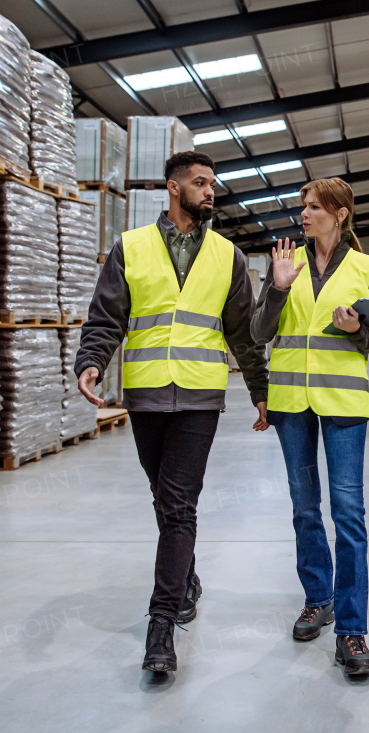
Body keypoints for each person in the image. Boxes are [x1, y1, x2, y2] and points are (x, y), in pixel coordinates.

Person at [74, 151, 269, 675]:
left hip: (200, 396)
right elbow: (107, 315)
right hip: (146, 394)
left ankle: (161, 625)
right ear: (173, 188)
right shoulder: (131, 247)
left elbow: (243, 332)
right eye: (201, 183)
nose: (211, 192)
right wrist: (91, 361)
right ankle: (186, 575)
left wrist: (260, 389)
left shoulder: (227, 255)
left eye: (213, 183)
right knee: (164, 498)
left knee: (180, 504)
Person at [251, 177, 369, 677]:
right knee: (305, 508)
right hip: (291, 404)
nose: (304, 214)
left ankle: (352, 630)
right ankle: (318, 598)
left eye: (314, 207)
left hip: (344, 405)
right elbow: (259, 333)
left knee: (349, 514)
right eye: (303, 206)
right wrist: (278, 289)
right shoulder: (287, 264)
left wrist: (356, 329)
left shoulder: (366, 267)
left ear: (340, 214)